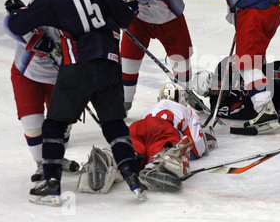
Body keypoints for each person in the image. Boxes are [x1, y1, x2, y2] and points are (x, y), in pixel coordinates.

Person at [5, 0, 146, 205]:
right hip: (110, 64)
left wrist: (16, 10)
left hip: (78, 66)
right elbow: (125, 19)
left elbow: (17, 25)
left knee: (54, 126)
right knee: (114, 125)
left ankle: (51, 185)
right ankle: (133, 178)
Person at [183, 0, 280, 132]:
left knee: (246, 63)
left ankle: (265, 109)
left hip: (254, 12)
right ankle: (257, 98)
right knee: (255, 60)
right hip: (272, 9)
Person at [108, 0, 195, 114]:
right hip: (139, 20)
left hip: (169, 20)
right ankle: (124, 102)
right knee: (129, 61)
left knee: (181, 62)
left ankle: (185, 96)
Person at [77, 82, 217, 193]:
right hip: (162, 129)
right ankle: (158, 165)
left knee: (128, 154)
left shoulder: (151, 109)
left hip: (137, 126)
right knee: (163, 149)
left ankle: (108, 159)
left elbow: (146, 134)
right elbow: (198, 146)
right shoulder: (185, 110)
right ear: (181, 98)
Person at [3, 23, 79, 182]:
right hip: (27, 73)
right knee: (32, 124)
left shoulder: (76, 15)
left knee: (63, 124)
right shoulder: (41, 5)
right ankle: (41, 163)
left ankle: (56, 159)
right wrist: (30, 40)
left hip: (61, 77)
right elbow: (10, 23)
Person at [192, 57, 280, 134]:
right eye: (211, 92)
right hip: (272, 102)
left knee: (271, 72)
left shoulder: (224, 67)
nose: (216, 90)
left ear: (213, 76)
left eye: (214, 85)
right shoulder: (219, 107)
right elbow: (248, 112)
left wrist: (241, 63)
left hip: (274, 81)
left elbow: (257, 59)